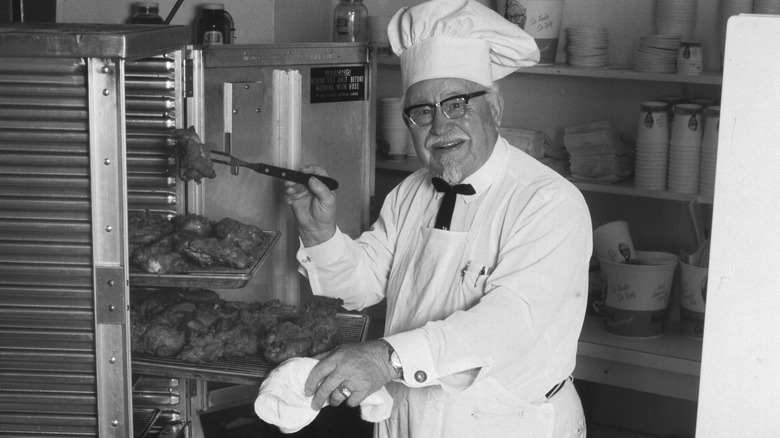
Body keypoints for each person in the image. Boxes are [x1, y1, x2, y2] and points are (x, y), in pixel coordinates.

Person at [283, 0, 592, 436]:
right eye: (422, 111)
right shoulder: (411, 191)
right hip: (405, 413)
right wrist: (320, 232)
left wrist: (384, 358)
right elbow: (361, 285)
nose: (440, 126)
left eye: (457, 103)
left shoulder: (547, 202)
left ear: (496, 109)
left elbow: (508, 324)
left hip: (506, 423)